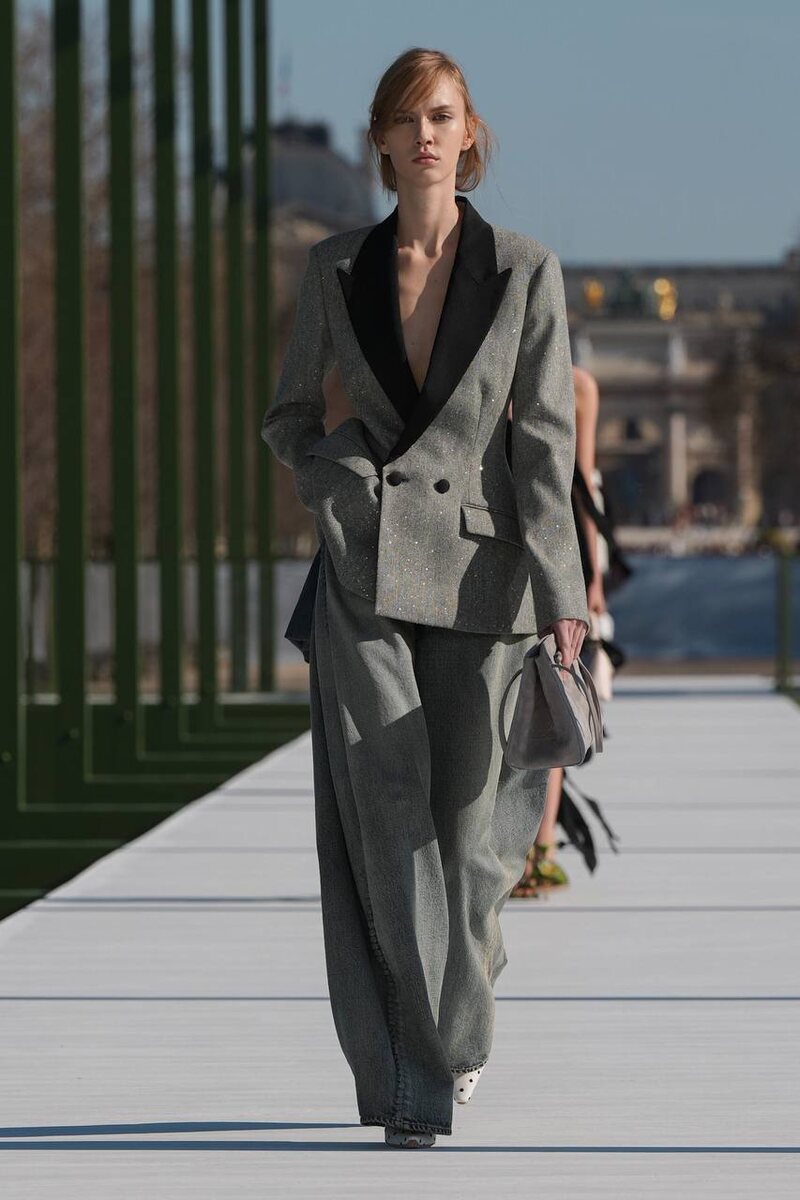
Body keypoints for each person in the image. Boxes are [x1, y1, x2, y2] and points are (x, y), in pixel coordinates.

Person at [260, 47, 589, 1148]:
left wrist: (565, 596)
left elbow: (543, 446)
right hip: (362, 573)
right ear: (382, 142)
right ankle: (414, 1078)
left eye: (443, 115)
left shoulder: (524, 270)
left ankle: (462, 1005)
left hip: (484, 577)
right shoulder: (334, 268)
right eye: (407, 119)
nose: (427, 135)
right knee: (386, 818)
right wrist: (337, 477)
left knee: (468, 840)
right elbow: (289, 417)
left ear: (469, 132)